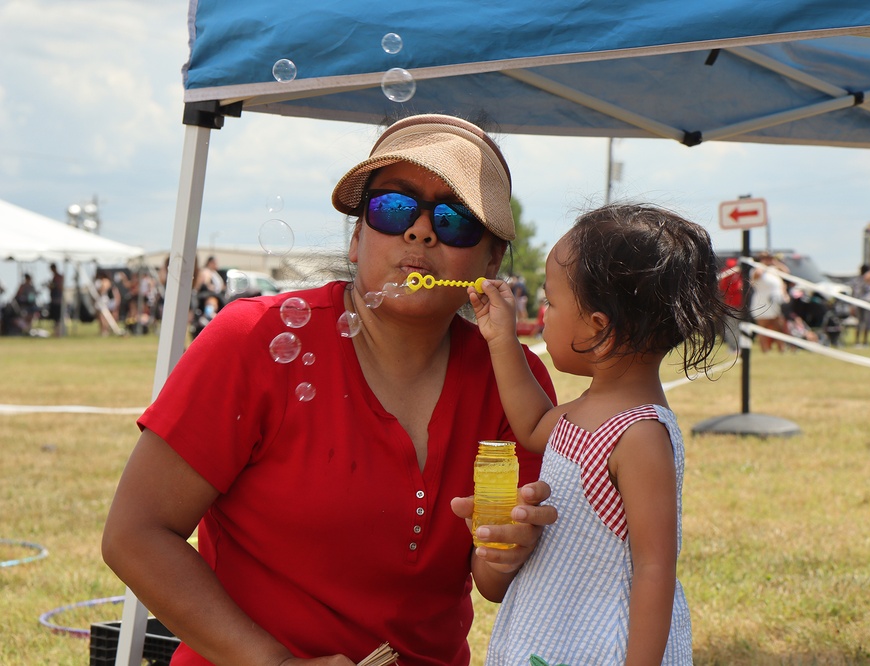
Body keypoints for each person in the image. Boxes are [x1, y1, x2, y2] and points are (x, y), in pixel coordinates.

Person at [102, 113, 559, 666]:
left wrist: (504, 553)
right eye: (393, 208)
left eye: (454, 219)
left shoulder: (513, 382)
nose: (419, 232)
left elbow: (491, 580)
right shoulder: (253, 341)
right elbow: (136, 532)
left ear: (490, 260)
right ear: (357, 237)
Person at [469, 203, 733, 665]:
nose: (544, 314)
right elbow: (532, 426)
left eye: (551, 302)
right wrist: (501, 339)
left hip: (600, 642)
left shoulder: (639, 434)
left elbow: (655, 569)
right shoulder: (586, 409)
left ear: (599, 330)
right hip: (557, 627)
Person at [748, 251, 788, 353]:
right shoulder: (755, 269)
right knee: (763, 328)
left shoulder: (773, 270)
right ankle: (765, 350)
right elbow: (757, 275)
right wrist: (762, 265)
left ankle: (781, 349)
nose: (768, 260)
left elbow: (786, 272)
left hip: (775, 302)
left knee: (778, 326)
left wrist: (775, 263)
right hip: (762, 302)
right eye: (766, 258)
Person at [46, 263, 65, 336]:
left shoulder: (58, 277)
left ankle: (58, 332)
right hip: (54, 299)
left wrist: (53, 286)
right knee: (55, 318)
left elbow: (60, 287)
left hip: (58, 300)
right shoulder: (55, 277)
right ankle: (56, 332)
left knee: (57, 318)